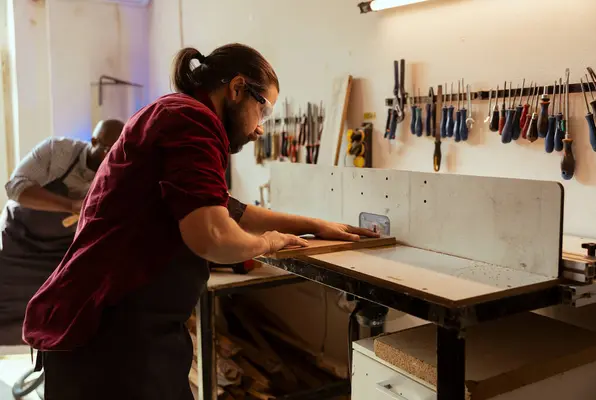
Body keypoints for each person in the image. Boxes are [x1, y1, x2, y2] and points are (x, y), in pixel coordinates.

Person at [23, 44, 378, 400]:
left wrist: (313, 224)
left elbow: (227, 207)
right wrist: (269, 243)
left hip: (117, 329)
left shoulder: (175, 113)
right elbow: (212, 237)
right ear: (237, 88)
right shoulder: (193, 120)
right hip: (109, 337)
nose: (259, 130)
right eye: (263, 110)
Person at [0, 120, 124, 345]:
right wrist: (71, 206)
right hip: (17, 240)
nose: (113, 158)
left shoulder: (118, 170)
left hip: (58, 253)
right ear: (94, 142)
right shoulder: (58, 152)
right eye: (109, 150)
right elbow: (15, 187)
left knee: (53, 310)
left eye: (119, 151)